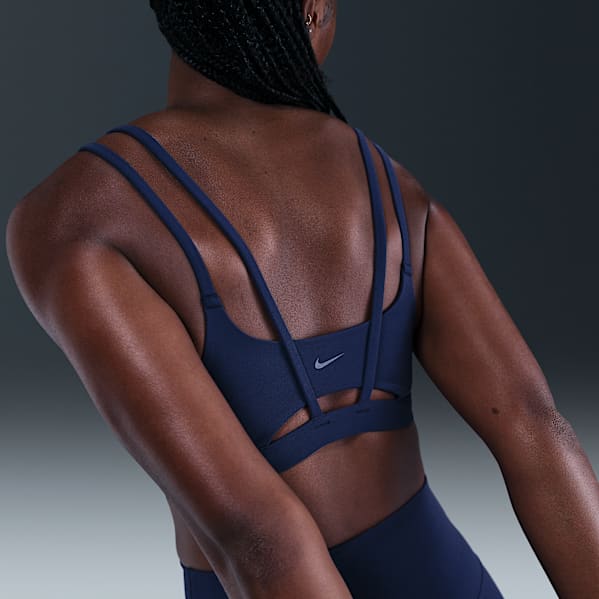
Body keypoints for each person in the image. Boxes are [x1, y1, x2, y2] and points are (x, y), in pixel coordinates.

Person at [5, 1, 599, 597]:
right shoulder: (387, 182)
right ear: (312, 10)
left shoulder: (79, 215)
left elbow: (262, 540)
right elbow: (538, 431)